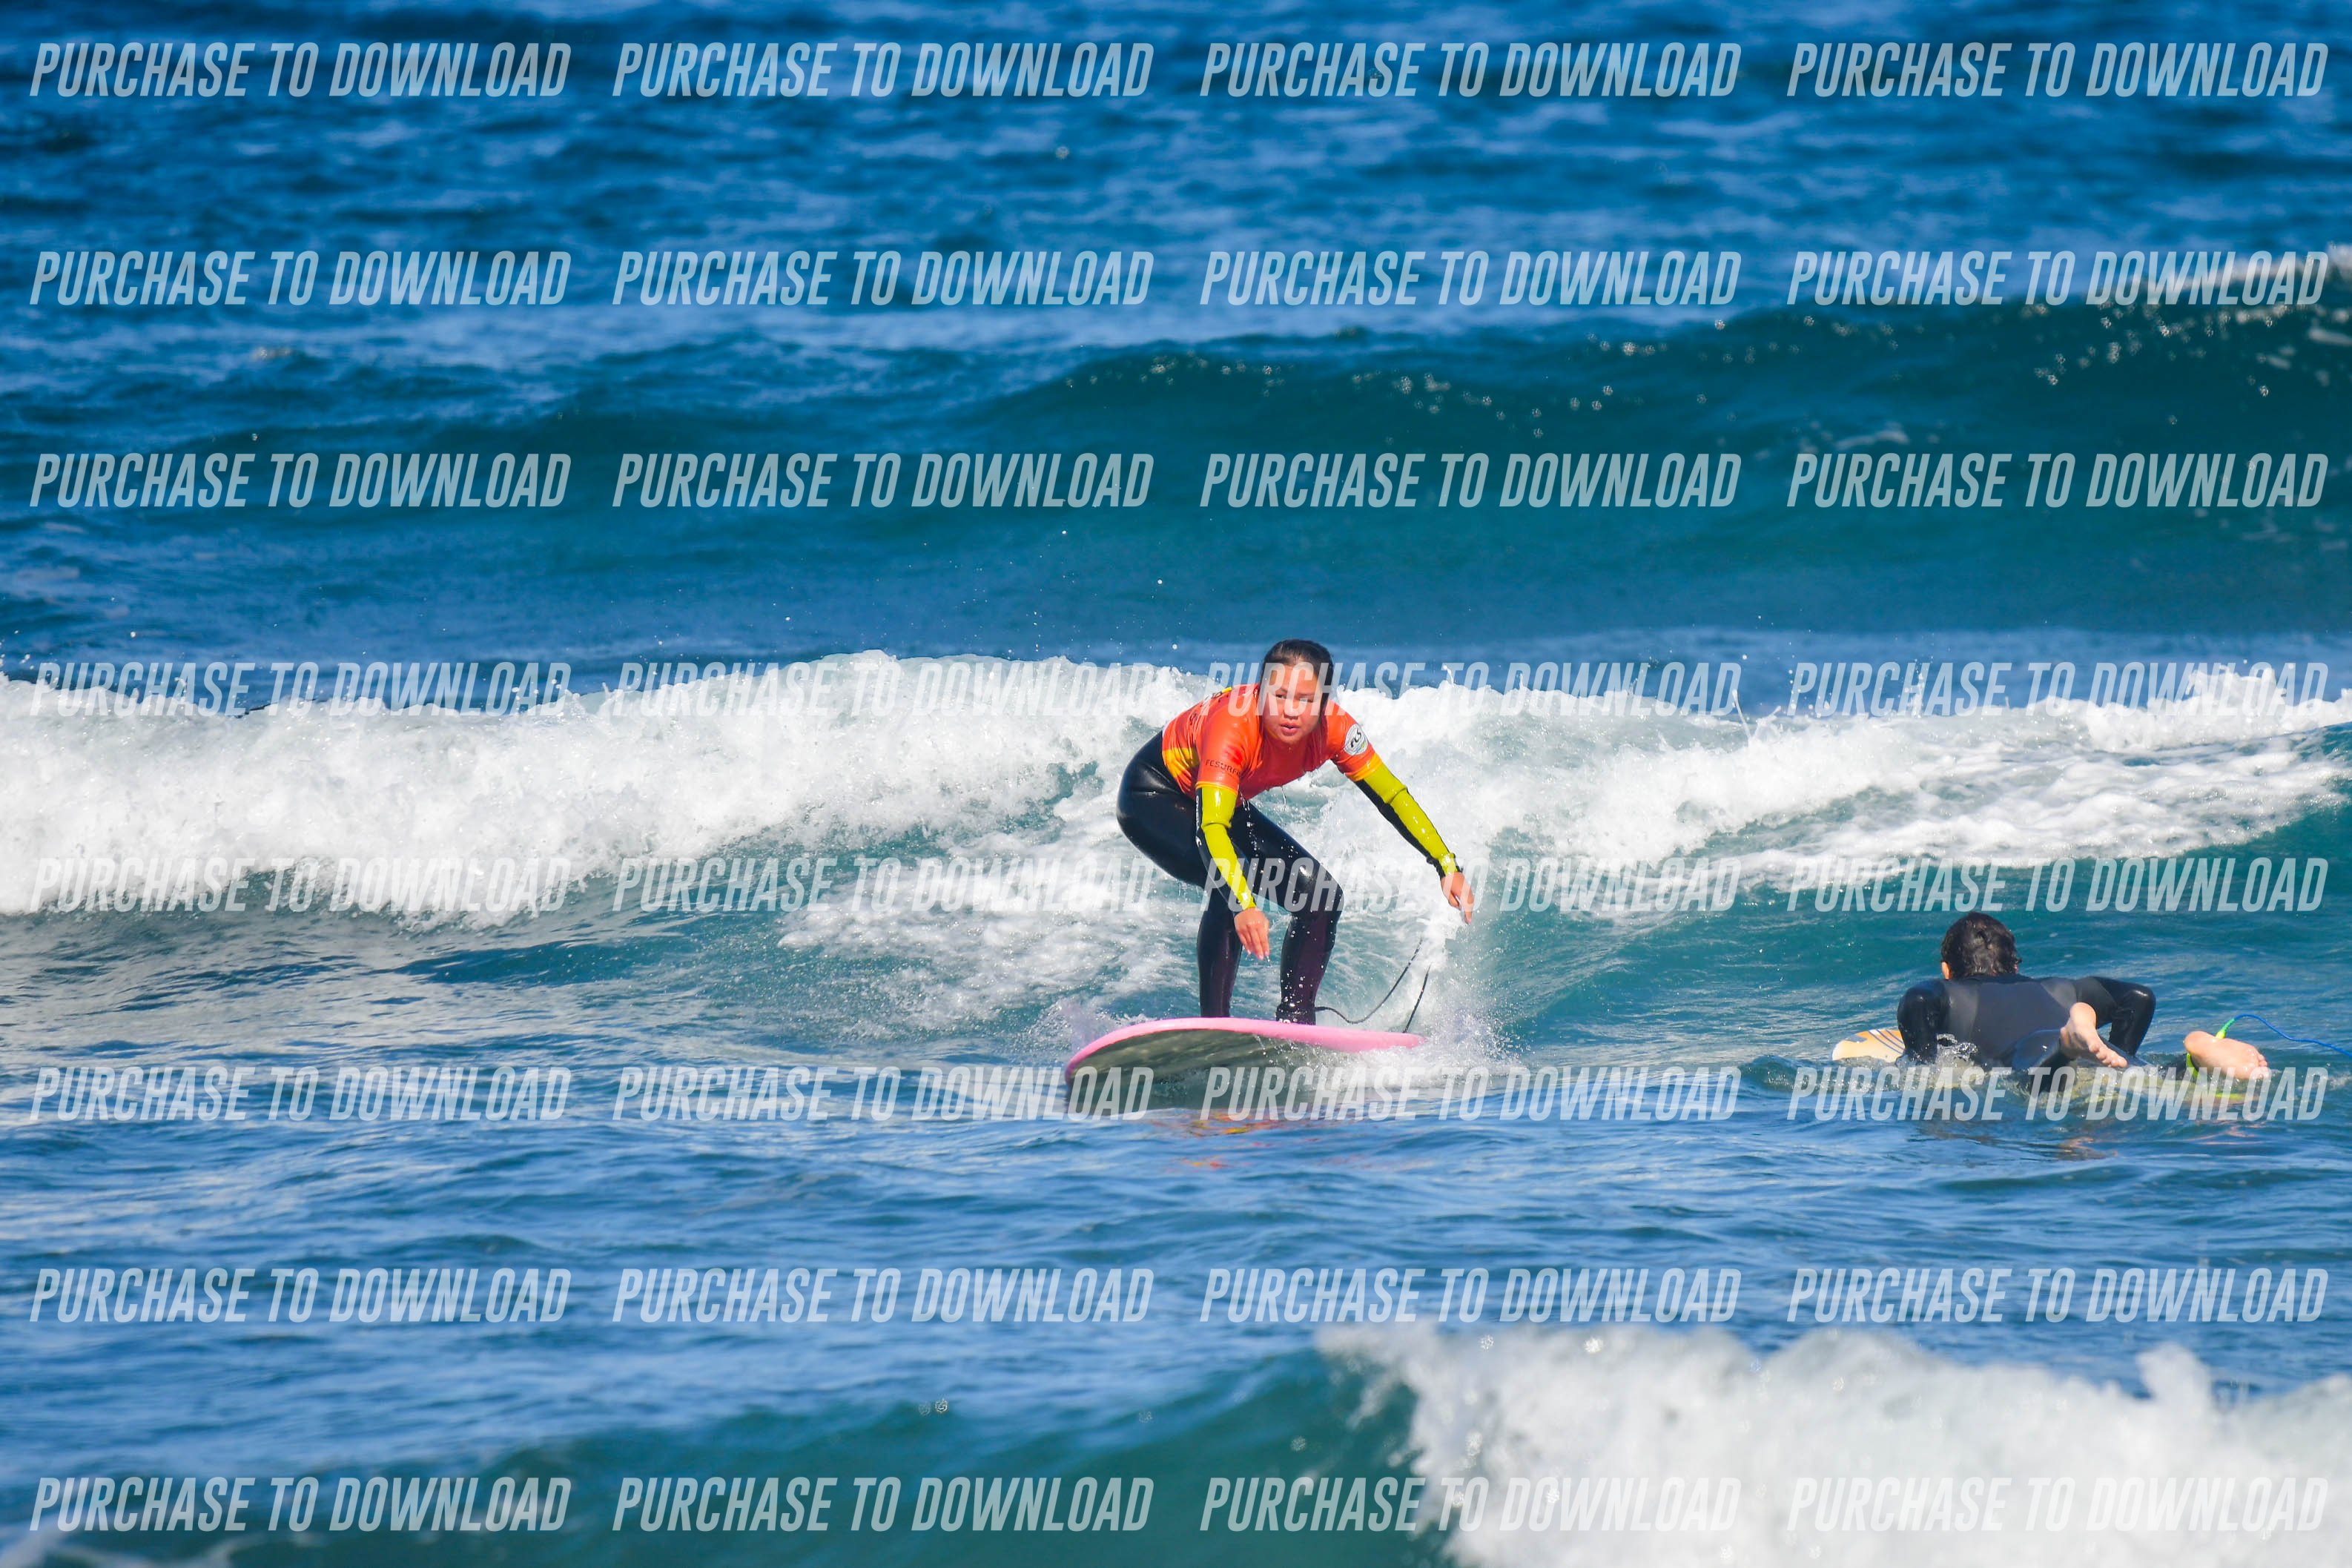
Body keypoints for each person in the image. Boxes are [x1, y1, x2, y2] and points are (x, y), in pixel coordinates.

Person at [1116, 639, 1474, 1022]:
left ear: (1324, 702)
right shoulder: (1231, 725)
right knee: (1228, 879)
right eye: (1279, 696)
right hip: (1153, 795)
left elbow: (1392, 796)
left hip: (1221, 801)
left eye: (1306, 700)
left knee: (1321, 896)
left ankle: (1296, 1021)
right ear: (1260, 693)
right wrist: (1244, 905)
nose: (1290, 711)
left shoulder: (1336, 730)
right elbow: (1212, 827)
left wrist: (1445, 864)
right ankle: (1215, 1025)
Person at [1896, 913, 2269, 1080]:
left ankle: (2071, 1045)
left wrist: (1922, 1062)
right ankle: (2195, 1060)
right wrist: (2115, 1057)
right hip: (2095, 1048)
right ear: (2014, 965)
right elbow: (2139, 997)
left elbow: (1917, 1001)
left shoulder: (1948, 992)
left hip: (2040, 1051)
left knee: (2033, 1084)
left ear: (1947, 971)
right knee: (2155, 1080)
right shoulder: (2061, 987)